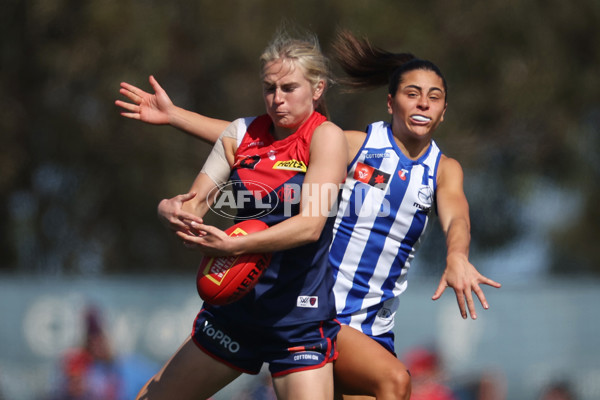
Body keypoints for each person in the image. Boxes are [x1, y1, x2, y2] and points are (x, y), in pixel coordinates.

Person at [116, 30, 501, 400]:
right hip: (326, 308)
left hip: (374, 324)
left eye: (433, 97)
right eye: (412, 94)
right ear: (390, 102)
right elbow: (255, 141)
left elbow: (457, 217)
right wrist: (176, 117)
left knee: (389, 385)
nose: (422, 104)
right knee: (395, 382)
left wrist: (457, 255)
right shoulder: (352, 143)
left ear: (444, 110)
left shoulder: (444, 169)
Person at [130, 31, 347, 400]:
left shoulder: (326, 137)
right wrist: (169, 210)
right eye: (269, 88)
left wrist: (235, 245)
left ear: (317, 89)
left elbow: (311, 226)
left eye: (289, 87)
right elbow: (193, 205)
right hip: (236, 311)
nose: (277, 99)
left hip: (298, 320)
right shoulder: (239, 134)